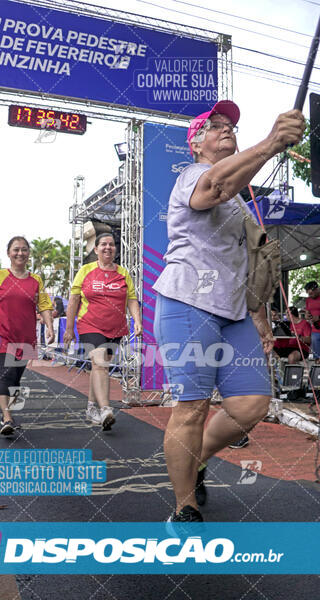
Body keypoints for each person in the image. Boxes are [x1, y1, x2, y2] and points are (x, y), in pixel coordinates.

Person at [152, 100, 304, 522]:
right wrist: (273, 141)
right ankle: (184, 507)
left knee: (253, 404)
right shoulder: (192, 175)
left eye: (230, 126)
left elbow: (242, 264)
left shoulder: (238, 200)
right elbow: (215, 188)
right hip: (188, 304)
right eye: (215, 126)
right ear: (196, 144)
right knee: (193, 407)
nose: (226, 129)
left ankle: (194, 458)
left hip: (233, 312)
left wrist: (258, 318)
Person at [0, 236, 54, 436]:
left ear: (28, 254)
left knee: (16, 377)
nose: (20, 253)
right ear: (8, 253)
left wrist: (49, 327)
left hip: (25, 337)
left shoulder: (36, 281)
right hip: (1, 335)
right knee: (7, 374)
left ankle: (10, 415)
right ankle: (7, 418)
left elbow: (45, 306)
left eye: (24, 250)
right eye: (16, 249)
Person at [64, 233, 142, 430]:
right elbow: (74, 299)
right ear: (96, 249)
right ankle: (105, 408)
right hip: (89, 324)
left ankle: (91, 407)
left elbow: (131, 299)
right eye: (103, 245)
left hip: (115, 327)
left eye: (111, 245)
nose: (108, 247)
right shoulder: (86, 270)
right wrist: (68, 329)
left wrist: (137, 321)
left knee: (100, 366)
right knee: (100, 365)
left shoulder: (123, 273)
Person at [304, 281, 320, 361]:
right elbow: (307, 311)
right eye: (308, 294)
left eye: (311, 294)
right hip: (315, 329)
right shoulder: (308, 300)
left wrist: (318, 317)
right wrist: (307, 315)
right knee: (317, 356)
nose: (310, 296)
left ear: (317, 289)